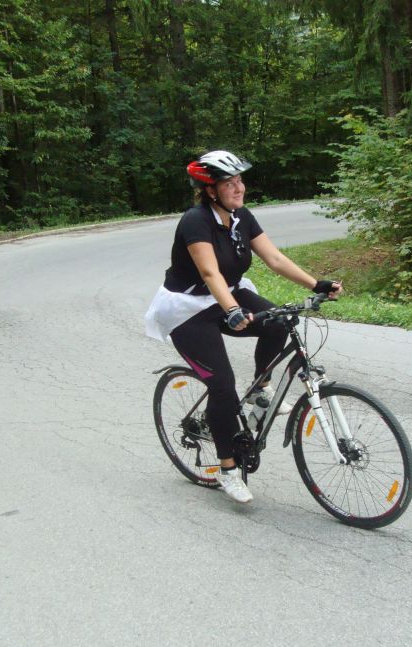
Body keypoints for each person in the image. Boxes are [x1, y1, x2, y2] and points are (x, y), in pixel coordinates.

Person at [145, 150, 341, 503]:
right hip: (188, 310)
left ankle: (261, 389)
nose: (239, 187)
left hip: (227, 295)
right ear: (210, 191)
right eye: (229, 183)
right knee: (222, 386)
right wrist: (233, 309)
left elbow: (275, 258)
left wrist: (316, 285)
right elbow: (209, 272)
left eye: (239, 181)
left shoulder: (242, 217)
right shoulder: (195, 221)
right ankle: (228, 469)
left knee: (278, 323)